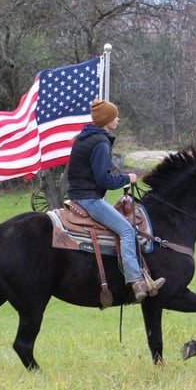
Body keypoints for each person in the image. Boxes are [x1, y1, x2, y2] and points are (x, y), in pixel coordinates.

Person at [66, 99, 166, 302]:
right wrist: (127, 178)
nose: (118, 118)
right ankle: (136, 282)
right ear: (106, 120)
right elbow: (104, 179)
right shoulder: (100, 143)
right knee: (127, 230)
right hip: (89, 199)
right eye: (114, 116)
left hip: (78, 195)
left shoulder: (84, 138)